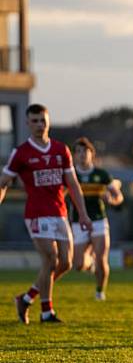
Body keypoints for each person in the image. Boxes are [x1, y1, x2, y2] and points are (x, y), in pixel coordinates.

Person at [0, 104, 92, 323]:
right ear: (27, 124)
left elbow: (73, 184)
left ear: (48, 121)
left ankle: (26, 297)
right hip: (36, 214)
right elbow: (3, 182)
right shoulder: (21, 153)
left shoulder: (61, 150)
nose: (40, 125)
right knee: (50, 260)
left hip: (59, 213)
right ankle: (46, 312)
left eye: (43, 120)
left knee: (66, 264)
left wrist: (83, 214)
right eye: (35, 121)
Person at [70, 137, 124, 301]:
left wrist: (112, 200)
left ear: (92, 154)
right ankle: (89, 263)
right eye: (78, 152)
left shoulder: (101, 175)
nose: (82, 155)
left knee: (102, 258)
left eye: (85, 151)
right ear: (74, 155)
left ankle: (100, 291)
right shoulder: (71, 175)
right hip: (78, 222)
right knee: (78, 265)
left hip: (99, 221)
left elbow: (118, 196)